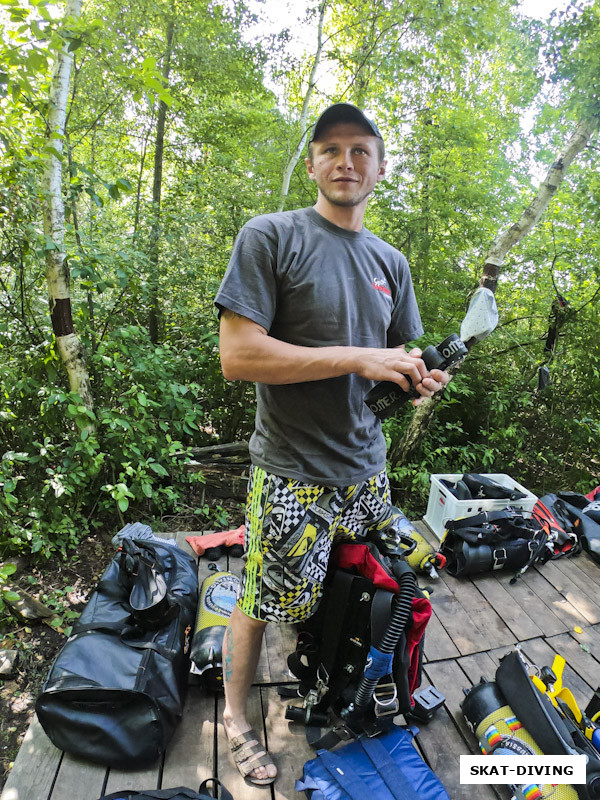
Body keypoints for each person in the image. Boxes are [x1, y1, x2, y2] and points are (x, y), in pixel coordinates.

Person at [214, 102, 450, 785]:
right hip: (293, 473)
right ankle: (234, 719)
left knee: (374, 587)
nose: (347, 162)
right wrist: (357, 358)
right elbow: (239, 356)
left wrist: (416, 377)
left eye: (362, 151)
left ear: (380, 167)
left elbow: (396, 357)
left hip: (366, 472)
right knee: (265, 603)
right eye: (332, 149)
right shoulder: (271, 237)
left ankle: (340, 684)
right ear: (313, 163)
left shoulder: (390, 262)